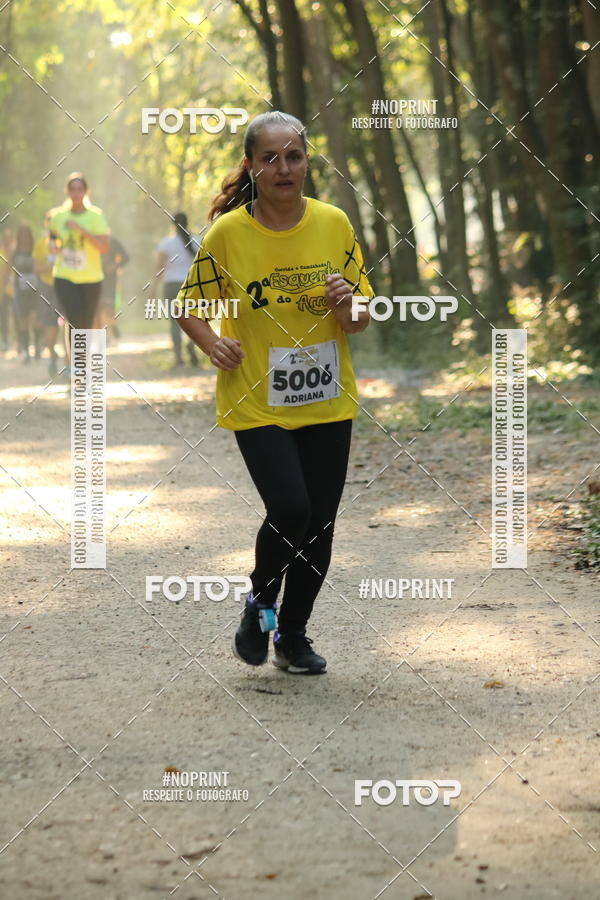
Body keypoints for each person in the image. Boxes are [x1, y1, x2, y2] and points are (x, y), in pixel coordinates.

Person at [176, 111, 373, 675]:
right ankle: (260, 603)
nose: (284, 168)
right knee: (291, 507)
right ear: (252, 167)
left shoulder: (334, 224)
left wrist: (346, 307)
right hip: (256, 398)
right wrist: (213, 344)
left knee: (320, 524)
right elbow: (187, 308)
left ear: (307, 161)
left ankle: (292, 636)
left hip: (326, 398)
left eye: (295, 156)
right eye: (271, 158)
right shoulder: (229, 234)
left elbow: (361, 317)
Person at [46, 172, 109, 365]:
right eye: (72, 189)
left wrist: (80, 229)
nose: (76, 193)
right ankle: (76, 366)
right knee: (73, 318)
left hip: (91, 278)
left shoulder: (95, 216)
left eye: (79, 189)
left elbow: (103, 247)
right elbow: (52, 244)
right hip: (64, 276)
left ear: (85, 191)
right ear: (67, 191)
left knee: (86, 323)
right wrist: (54, 246)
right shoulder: (57, 217)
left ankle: (81, 362)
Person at [151, 213, 199, 367]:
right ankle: (192, 345)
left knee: (174, 323)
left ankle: (178, 358)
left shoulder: (166, 243)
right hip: (191, 286)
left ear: (173, 224)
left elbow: (159, 268)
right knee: (195, 320)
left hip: (171, 286)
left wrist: (153, 289)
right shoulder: (196, 241)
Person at [33, 215, 62, 376]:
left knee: (66, 324)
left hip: (65, 284)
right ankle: (51, 356)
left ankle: (70, 365)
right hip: (47, 286)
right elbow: (36, 268)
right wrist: (49, 264)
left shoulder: (66, 241)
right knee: (49, 326)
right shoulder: (40, 243)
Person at [11, 224, 41, 363]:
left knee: (35, 319)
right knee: (23, 321)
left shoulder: (36, 250)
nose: (24, 237)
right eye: (21, 234)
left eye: (26, 234)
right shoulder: (15, 252)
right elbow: (7, 270)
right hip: (20, 290)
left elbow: (41, 266)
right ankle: (26, 350)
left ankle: (37, 346)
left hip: (35, 290)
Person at [95, 234, 129, 339]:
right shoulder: (90, 240)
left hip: (110, 280)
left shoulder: (113, 242)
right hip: (94, 279)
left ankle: (112, 326)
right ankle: (102, 334)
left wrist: (115, 265)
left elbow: (126, 257)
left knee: (109, 307)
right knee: (97, 308)